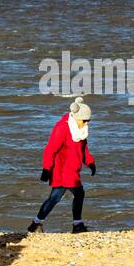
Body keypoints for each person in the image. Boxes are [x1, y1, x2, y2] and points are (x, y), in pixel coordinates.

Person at [28, 96, 96, 234]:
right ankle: (77, 225)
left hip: (72, 169)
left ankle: (36, 224)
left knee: (55, 197)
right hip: (63, 169)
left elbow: (83, 149)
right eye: (84, 121)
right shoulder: (62, 128)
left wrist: (90, 162)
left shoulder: (81, 130)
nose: (86, 123)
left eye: (88, 121)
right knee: (78, 193)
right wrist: (46, 169)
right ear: (77, 117)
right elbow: (50, 149)